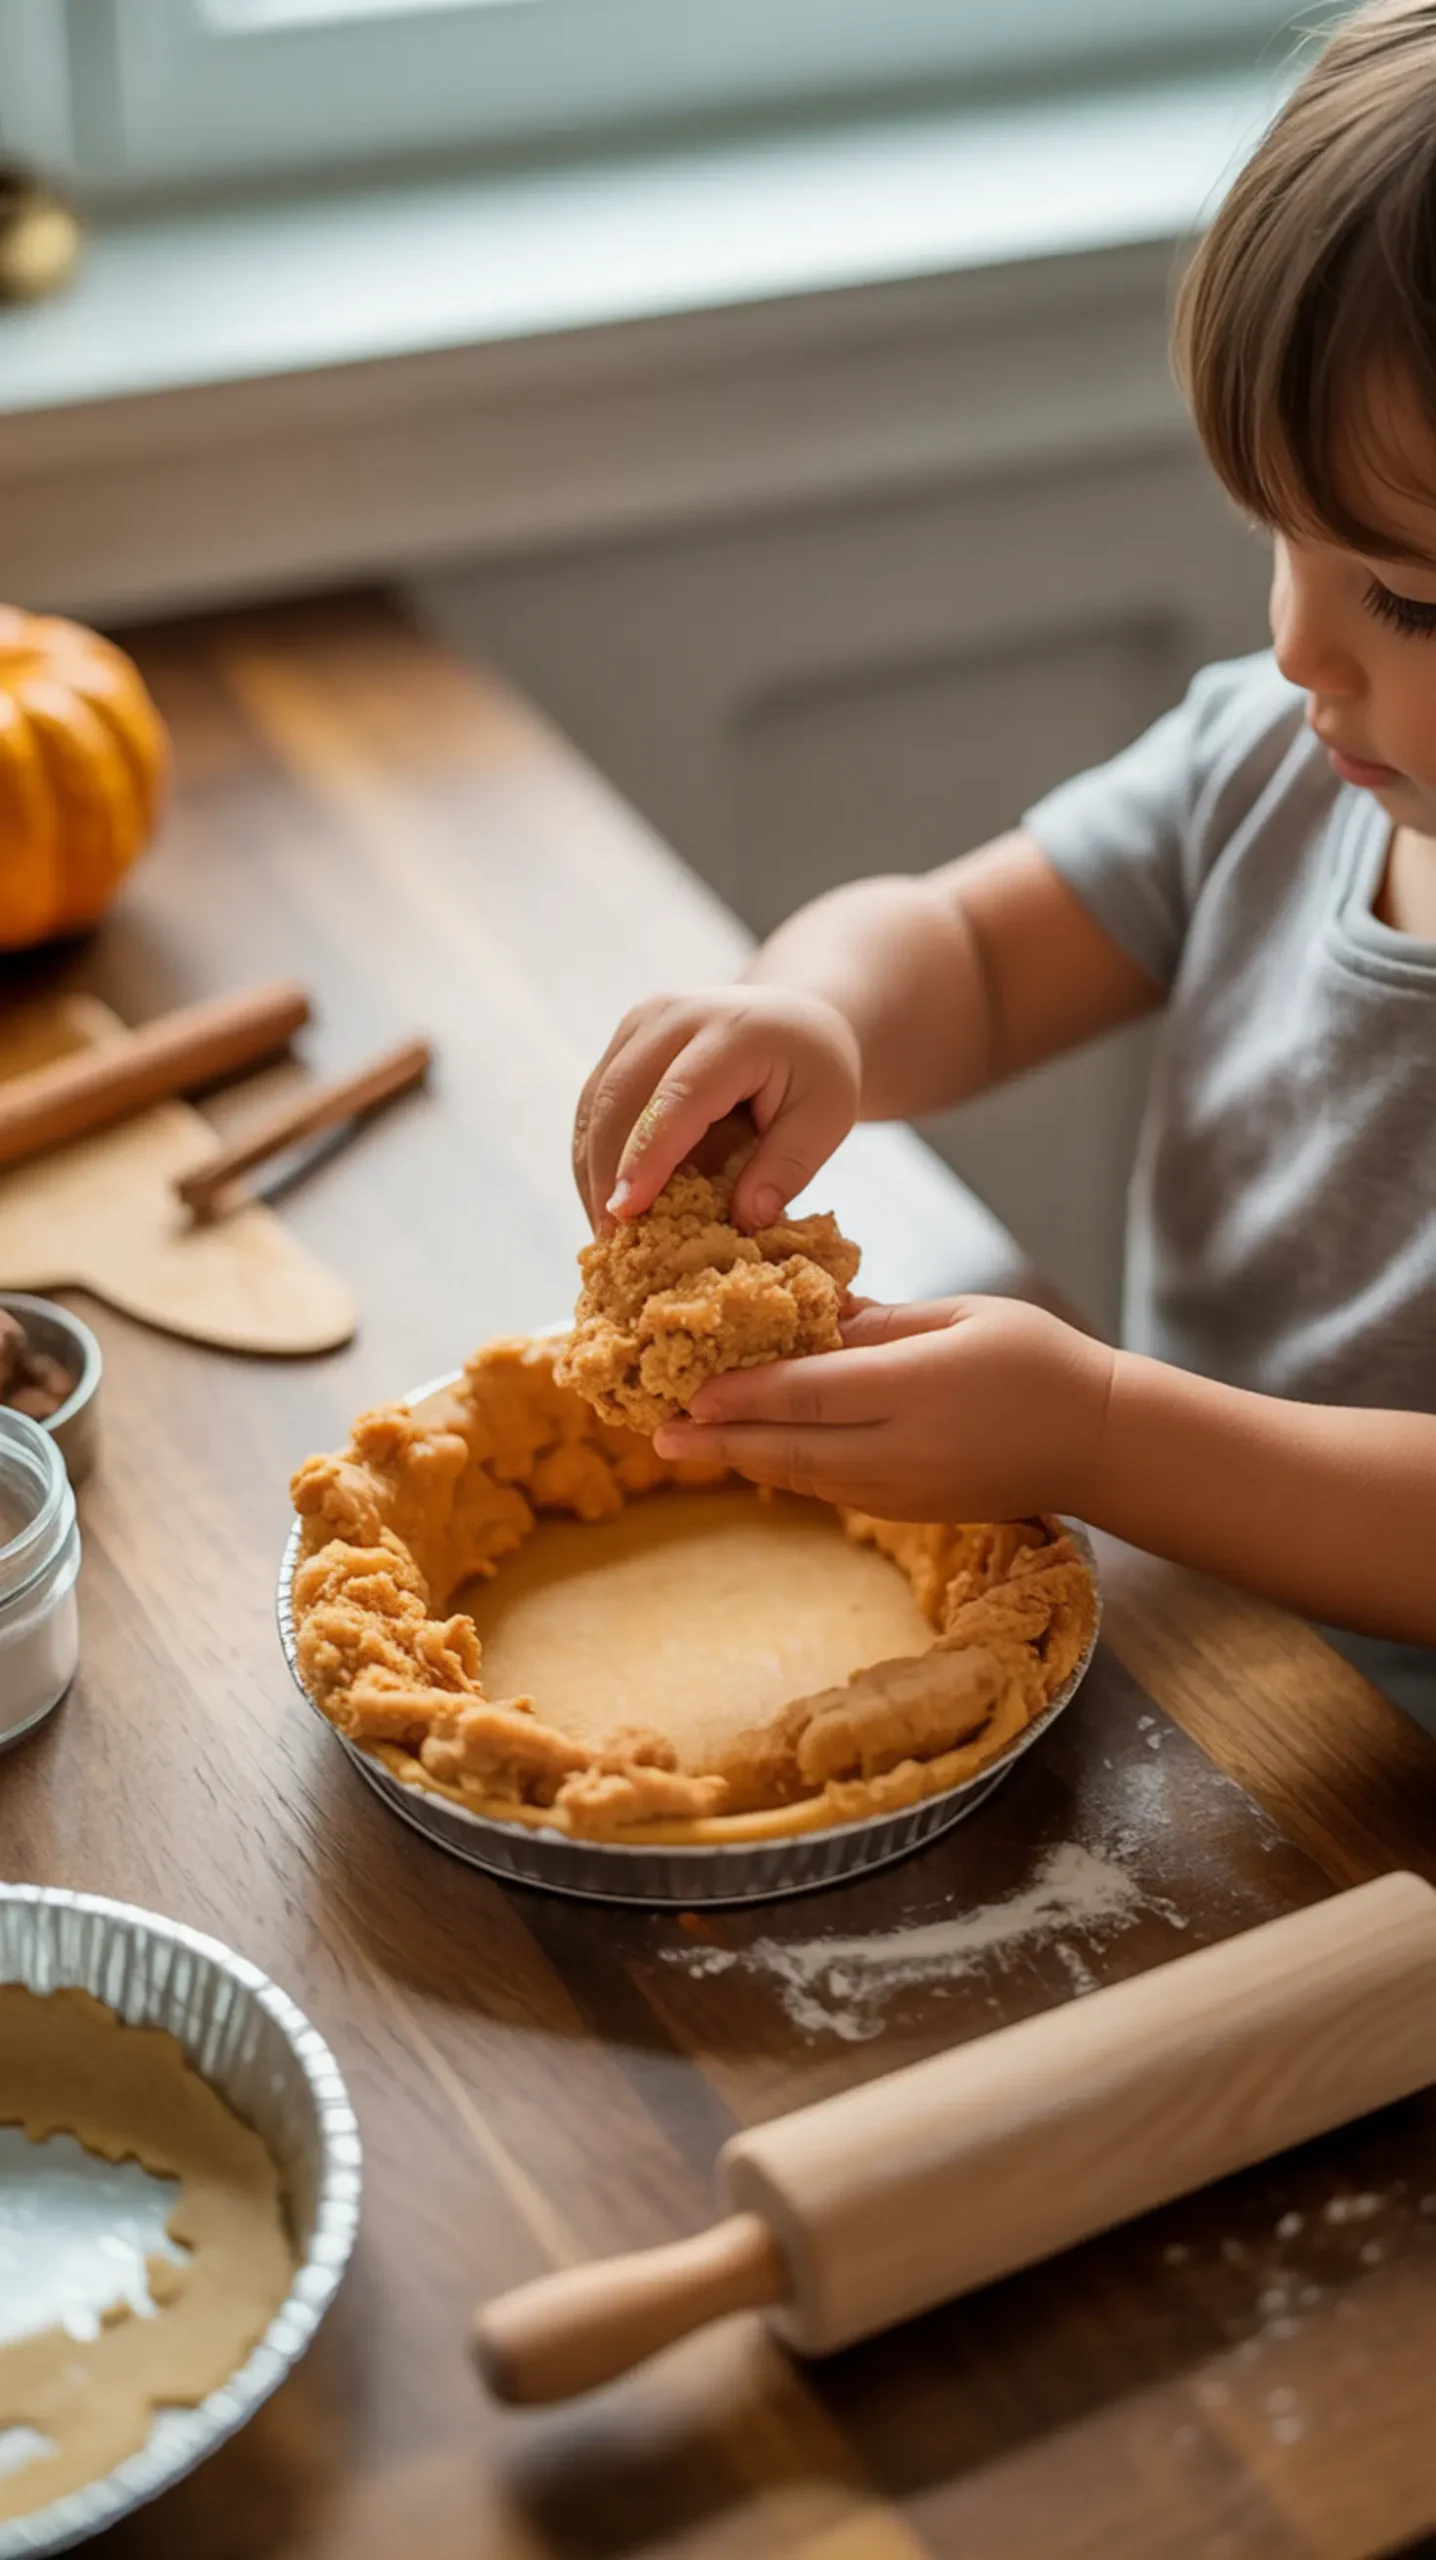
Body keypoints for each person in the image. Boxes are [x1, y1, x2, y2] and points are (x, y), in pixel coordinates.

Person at [571, 0, 1436, 1727]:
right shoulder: (1272, 766)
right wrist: (812, 1011)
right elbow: (967, 953)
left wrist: (1105, 1431)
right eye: (1281, 537)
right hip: (1207, 1668)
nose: (1298, 651)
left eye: (1407, 595)